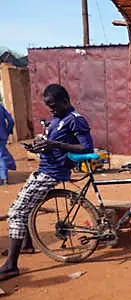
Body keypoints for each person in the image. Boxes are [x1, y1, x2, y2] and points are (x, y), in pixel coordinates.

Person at [0, 84, 93, 282]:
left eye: (53, 105)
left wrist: (54, 144)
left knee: (16, 213)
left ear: (65, 102)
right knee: (25, 207)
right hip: (44, 169)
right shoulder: (57, 119)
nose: (50, 109)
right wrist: (39, 147)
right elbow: (51, 145)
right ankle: (26, 245)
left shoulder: (75, 120)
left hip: (52, 173)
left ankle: (10, 266)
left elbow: (86, 146)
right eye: (48, 106)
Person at [0, 103, 16, 185]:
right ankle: (4, 177)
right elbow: (10, 121)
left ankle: (3, 178)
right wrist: (7, 131)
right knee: (1, 155)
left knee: (1, 156)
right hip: (2, 135)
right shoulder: (1, 107)